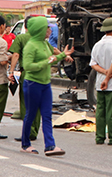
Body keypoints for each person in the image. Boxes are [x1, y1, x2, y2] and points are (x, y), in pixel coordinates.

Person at [20, 16, 74, 156]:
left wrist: (63, 55)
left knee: (47, 115)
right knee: (30, 115)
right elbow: (27, 66)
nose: (50, 30)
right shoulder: (30, 46)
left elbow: (53, 56)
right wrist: (46, 62)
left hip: (45, 84)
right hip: (32, 84)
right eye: (47, 27)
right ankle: (25, 144)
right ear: (39, 30)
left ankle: (50, 146)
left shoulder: (45, 44)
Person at [90, 17, 112, 146]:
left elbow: (93, 64)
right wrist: (107, 78)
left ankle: (99, 137)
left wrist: (104, 73)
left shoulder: (97, 45)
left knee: (100, 111)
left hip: (100, 83)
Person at [9, 17, 42, 142]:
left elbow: (16, 55)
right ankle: (35, 130)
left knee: (25, 103)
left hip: (27, 73)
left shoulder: (21, 38)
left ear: (25, 27)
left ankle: (28, 132)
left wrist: (12, 71)